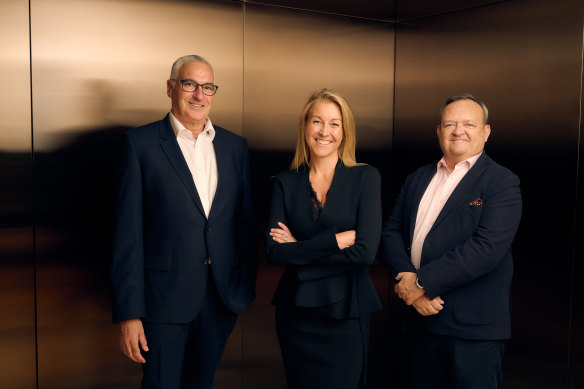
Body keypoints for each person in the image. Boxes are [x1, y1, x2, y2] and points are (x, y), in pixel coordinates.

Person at [111, 54, 256, 389]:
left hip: (221, 299)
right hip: (162, 302)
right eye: (190, 84)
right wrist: (129, 313)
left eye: (208, 87)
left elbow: (244, 223)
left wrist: (242, 284)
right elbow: (127, 236)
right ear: (171, 88)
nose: (199, 95)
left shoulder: (235, 147)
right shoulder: (140, 145)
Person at [381, 94, 522, 389]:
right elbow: (392, 231)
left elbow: (486, 249)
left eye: (469, 123)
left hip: (473, 331)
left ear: (485, 132)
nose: (458, 130)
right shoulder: (418, 178)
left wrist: (420, 284)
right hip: (419, 321)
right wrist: (409, 282)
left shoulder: (502, 182)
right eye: (450, 124)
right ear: (438, 132)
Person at [266, 89, 382, 389]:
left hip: (346, 315)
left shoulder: (366, 178)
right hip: (296, 316)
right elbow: (275, 253)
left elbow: (366, 253)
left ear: (345, 132)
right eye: (317, 121)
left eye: (334, 123)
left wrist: (299, 252)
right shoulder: (284, 182)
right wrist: (334, 241)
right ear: (305, 127)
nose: (324, 131)